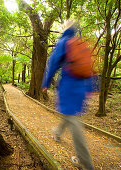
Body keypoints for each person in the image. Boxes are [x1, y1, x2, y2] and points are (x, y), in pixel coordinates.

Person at [42, 20, 94, 170]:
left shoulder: (64, 41)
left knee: (73, 119)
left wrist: (46, 82)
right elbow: (89, 67)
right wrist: (89, 88)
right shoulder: (79, 43)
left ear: (64, 29)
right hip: (82, 87)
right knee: (69, 114)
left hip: (69, 86)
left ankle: (85, 162)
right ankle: (57, 132)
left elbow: (53, 63)